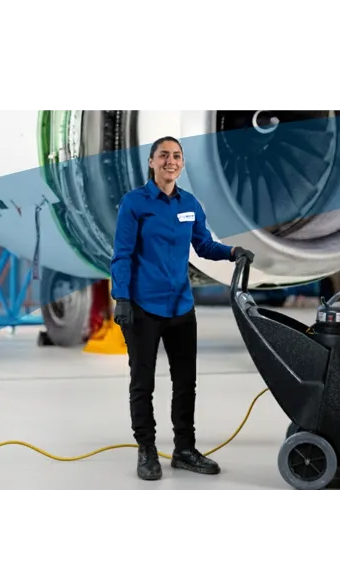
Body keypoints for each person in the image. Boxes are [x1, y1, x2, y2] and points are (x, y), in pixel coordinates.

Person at [110, 136, 255, 481]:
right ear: (151, 162)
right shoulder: (135, 203)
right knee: (142, 383)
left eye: (176, 156)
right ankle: (146, 451)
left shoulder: (189, 204)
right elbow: (122, 254)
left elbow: (203, 245)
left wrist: (232, 252)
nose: (170, 161)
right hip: (143, 308)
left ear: (182, 164)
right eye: (164, 155)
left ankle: (185, 450)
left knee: (185, 382)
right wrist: (122, 298)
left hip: (180, 308)